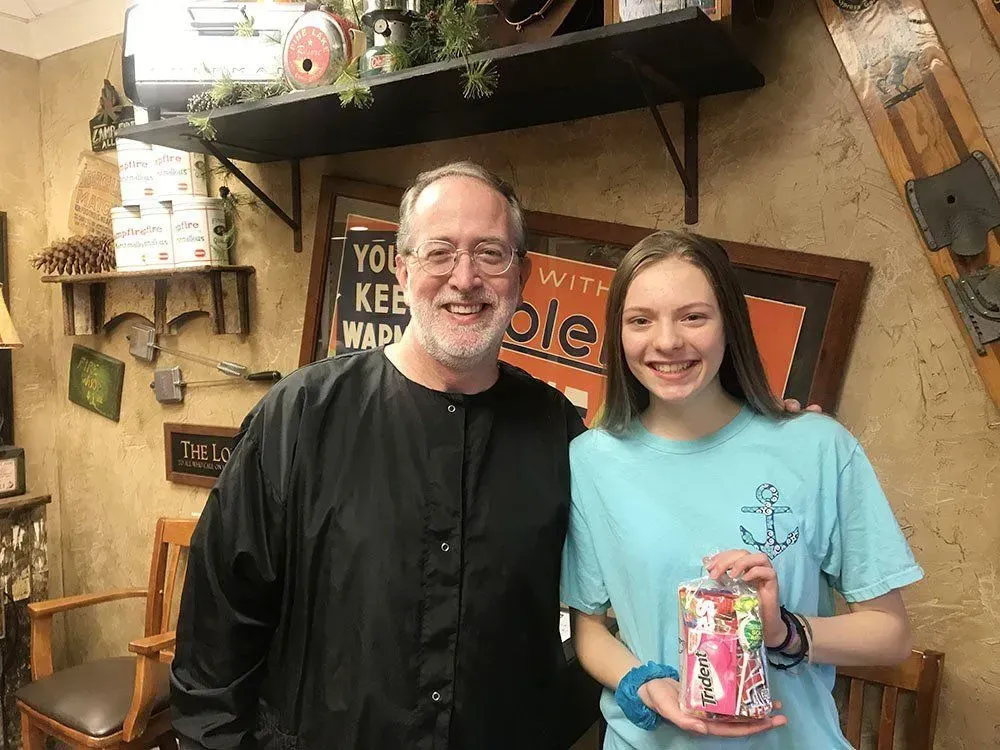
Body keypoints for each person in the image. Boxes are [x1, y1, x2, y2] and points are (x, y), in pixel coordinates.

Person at [170, 161, 587, 749]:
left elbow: (600, 609)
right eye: (439, 251)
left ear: (522, 275)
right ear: (401, 269)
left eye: (490, 254)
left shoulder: (560, 432)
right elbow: (219, 630)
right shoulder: (301, 415)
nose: (464, 278)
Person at [560, 230, 923, 749]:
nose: (666, 341)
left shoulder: (818, 448)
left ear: (729, 324)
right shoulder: (591, 461)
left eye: (693, 316)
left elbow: (892, 635)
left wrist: (783, 632)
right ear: (618, 335)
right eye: (640, 320)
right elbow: (588, 626)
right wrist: (642, 683)